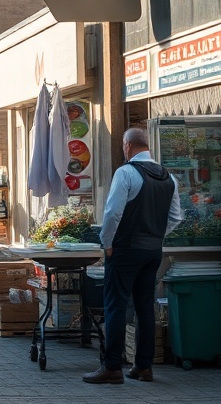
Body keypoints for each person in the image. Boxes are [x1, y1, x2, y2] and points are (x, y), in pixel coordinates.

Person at [83, 126, 182, 385]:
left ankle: (112, 367)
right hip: (153, 250)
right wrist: (155, 235)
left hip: (125, 249)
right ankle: (144, 366)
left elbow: (113, 213)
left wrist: (107, 243)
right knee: (145, 306)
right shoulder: (169, 177)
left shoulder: (126, 173)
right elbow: (176, 217)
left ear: (127, 146)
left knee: (115, 305)